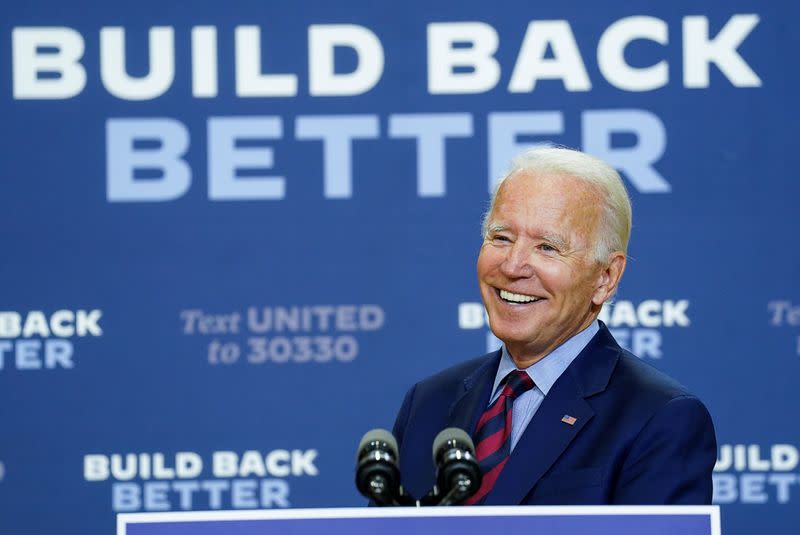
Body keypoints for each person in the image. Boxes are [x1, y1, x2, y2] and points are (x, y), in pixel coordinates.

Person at [392, 146, 716, 505]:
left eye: (547, 247)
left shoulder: (659, 419)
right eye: (502, 238)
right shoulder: (429, 402)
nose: (513, 266)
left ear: (605, 278)